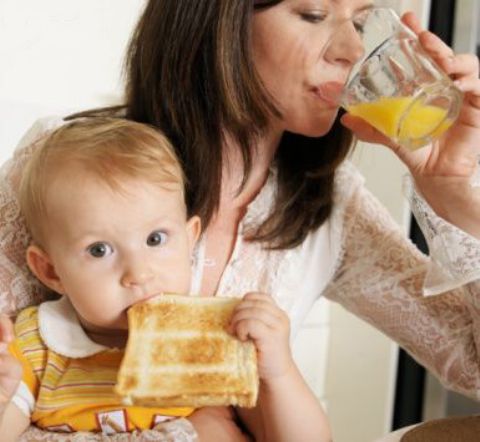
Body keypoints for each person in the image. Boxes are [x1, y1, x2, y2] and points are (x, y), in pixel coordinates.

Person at [1, 0, 480, 440]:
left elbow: (472, 368)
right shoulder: (66, 169)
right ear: (219, 20)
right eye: (313, 14)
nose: (354, 50)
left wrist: (455, 192)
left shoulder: (330, 203)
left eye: (360, 21)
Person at [0, 117, 330, 442]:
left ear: (190, 240)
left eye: (156, 239)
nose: (139, 273)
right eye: (99, 250)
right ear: (51, 271)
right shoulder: (36, 346)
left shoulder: (214, 338)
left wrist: (279, 371)